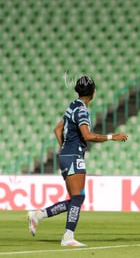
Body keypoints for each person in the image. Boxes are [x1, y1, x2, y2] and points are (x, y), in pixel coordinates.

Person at [27, 76, 128, 247]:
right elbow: (88, 136)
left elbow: (57, 129)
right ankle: (67, 236)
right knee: (78, 197)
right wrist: (113, 137)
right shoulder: (82, 111)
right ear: (93, 92)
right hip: (73, 156)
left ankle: (38, 215)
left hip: (67, 156)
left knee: (75, 198)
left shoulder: (72, 106)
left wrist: (64, 149)